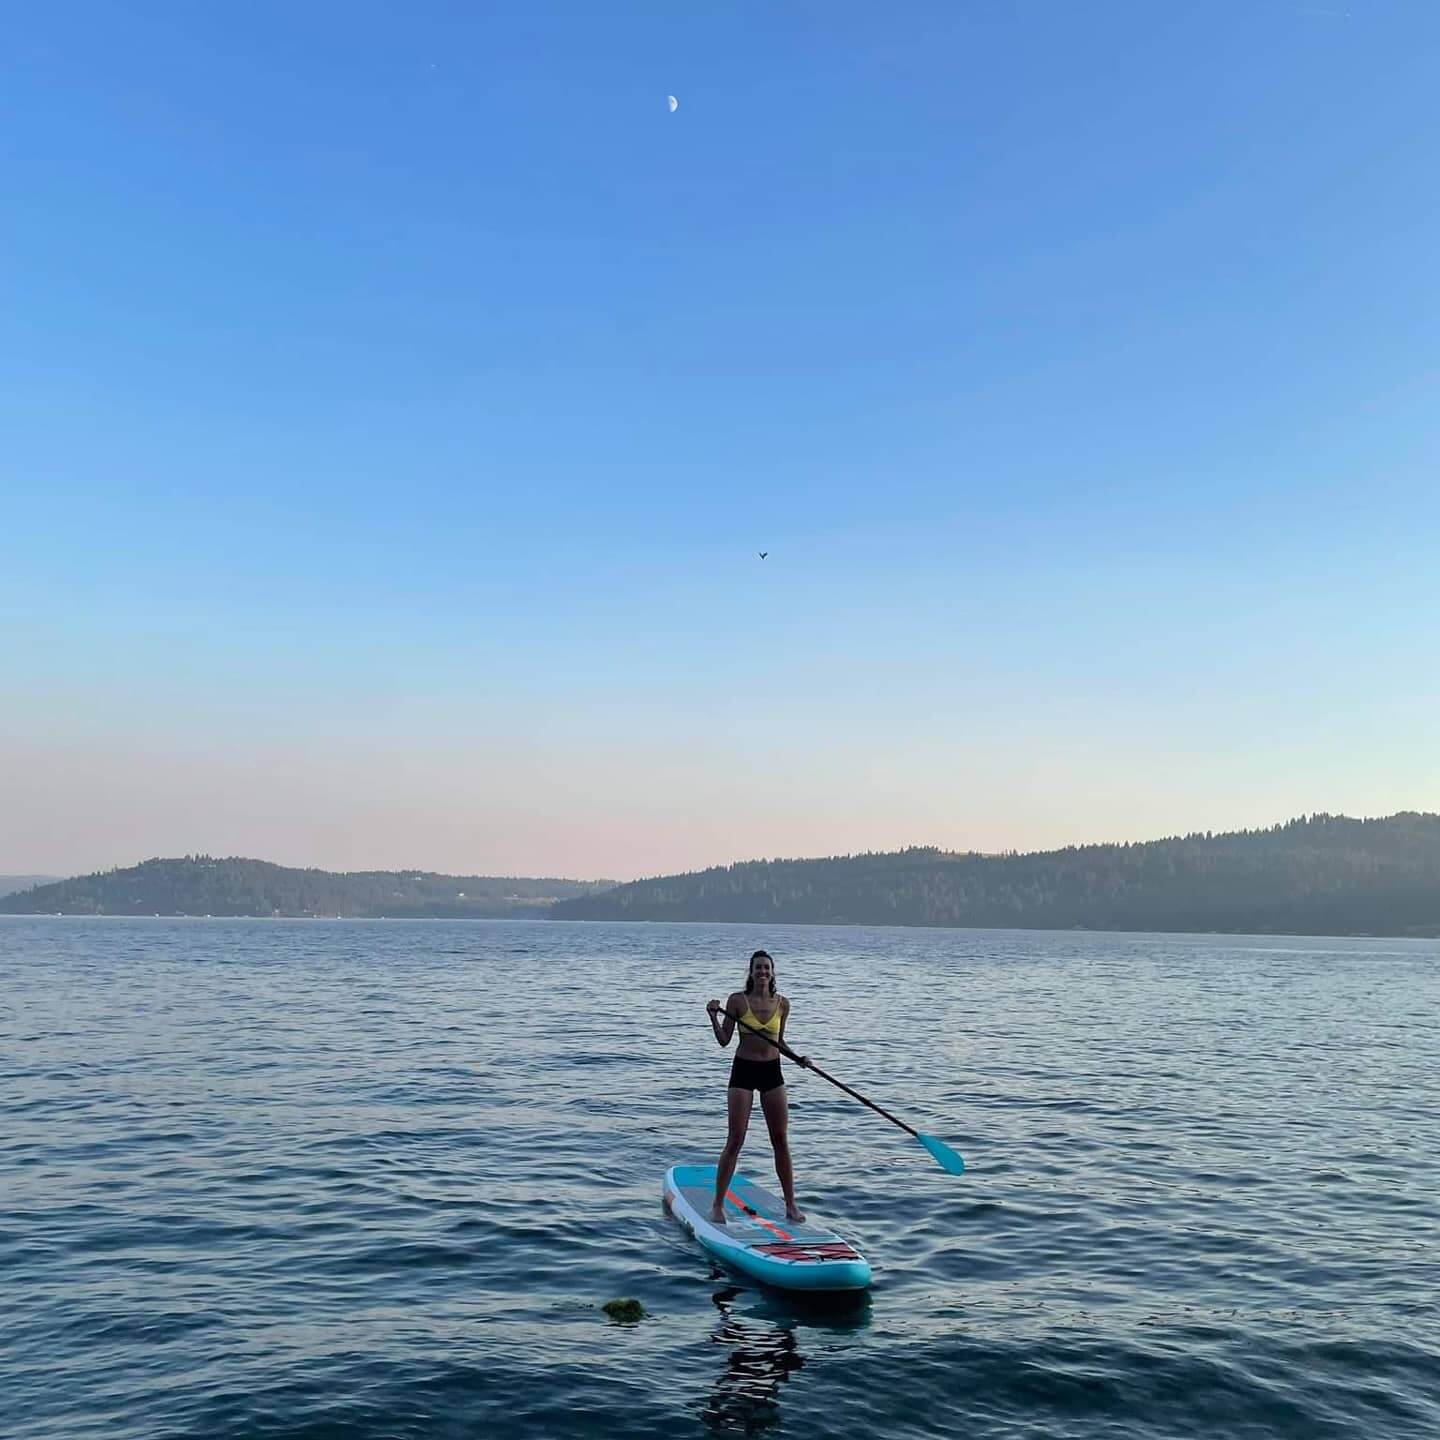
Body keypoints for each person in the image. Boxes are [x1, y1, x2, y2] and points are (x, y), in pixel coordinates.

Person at [706, 949, 812, 1225]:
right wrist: (713, 1016)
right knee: (736, 1139)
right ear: (751, 972)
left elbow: (781, 1042)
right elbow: (724, 1040)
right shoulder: (738, 1001)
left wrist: (798, 1059)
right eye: (758, 968)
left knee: (780, 1139)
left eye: (767, 968)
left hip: (772, 1072)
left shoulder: (783, 1004)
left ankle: (790, 1205)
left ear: (772, 972)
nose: (762, 972)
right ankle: (717, 1205)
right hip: (743, 1070)